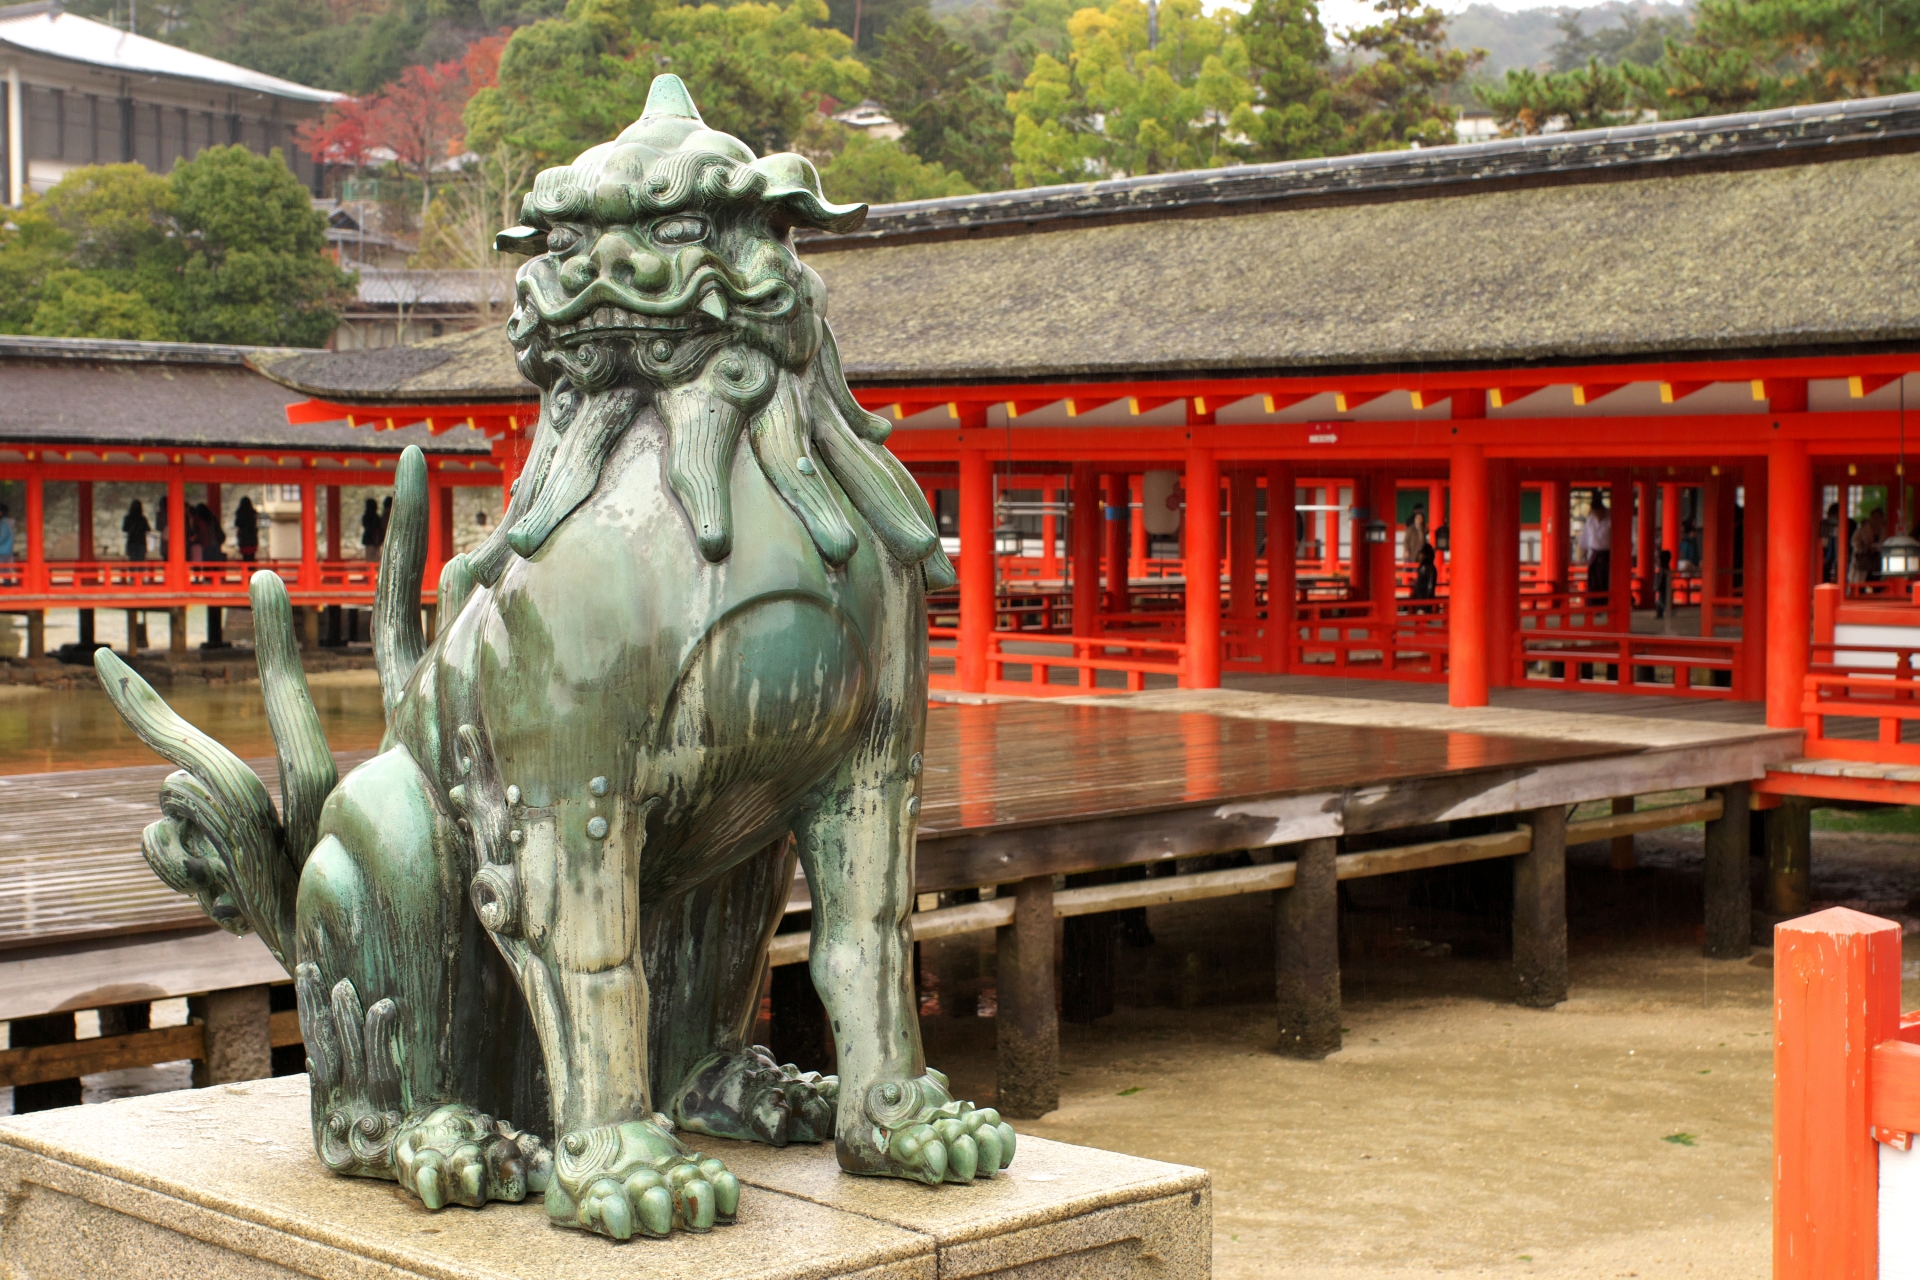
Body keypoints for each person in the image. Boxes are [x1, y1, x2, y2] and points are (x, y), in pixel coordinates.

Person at [1581, 493, 1612, 602]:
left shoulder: (1611, 518)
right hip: (1594, 553)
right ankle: (1593, 603)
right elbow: (1585, 536)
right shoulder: (1591, 519)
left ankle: (1605, 602)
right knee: (1593, 580)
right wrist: (1583, 551)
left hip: (1608, 554)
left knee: (1606, 580)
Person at [1852, 507, 1888, 585]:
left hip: (1879, 556)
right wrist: (1862, 546)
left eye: (1878, 516)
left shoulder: (1884, 528)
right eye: (1874, 516)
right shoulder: (1864, 528)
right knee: (1863, 578)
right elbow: (1855, 540)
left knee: (1877, 577)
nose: (1876, 519)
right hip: (1865, 556)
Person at [1410, 541, 1438, 608]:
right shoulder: (1423, 566)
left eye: (1422, 554)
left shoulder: (1429, 567)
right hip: (1420, 597)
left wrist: (1427, 600)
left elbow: (1430, 585)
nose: (1421, 556)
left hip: (1424, 598)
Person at [235, 496, 259, 562]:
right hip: (252, 538)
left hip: (243, 539)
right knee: (251, 557)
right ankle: (252, 570)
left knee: (245, 558)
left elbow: (237, 523)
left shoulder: (240, 513)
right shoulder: (253, 513)